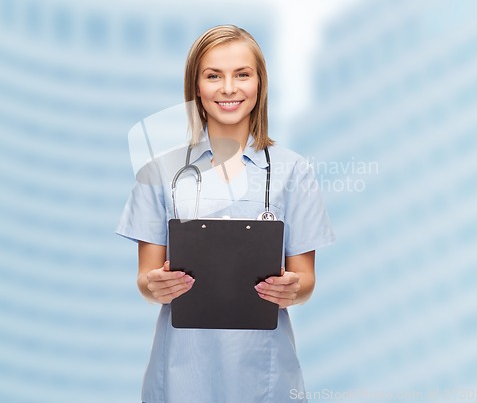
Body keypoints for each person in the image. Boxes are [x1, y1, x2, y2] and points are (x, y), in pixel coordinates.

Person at [116, 25, 335, 403]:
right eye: (213, 75)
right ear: (196, 88)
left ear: (259, 85)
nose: (229, 88)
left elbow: (306, 281)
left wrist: (291, 289)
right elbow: (145, 280)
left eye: (242, 74)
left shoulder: (293, 171)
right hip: (181, 371)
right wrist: (155, 285)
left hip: (264, 372)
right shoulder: (159, 173)